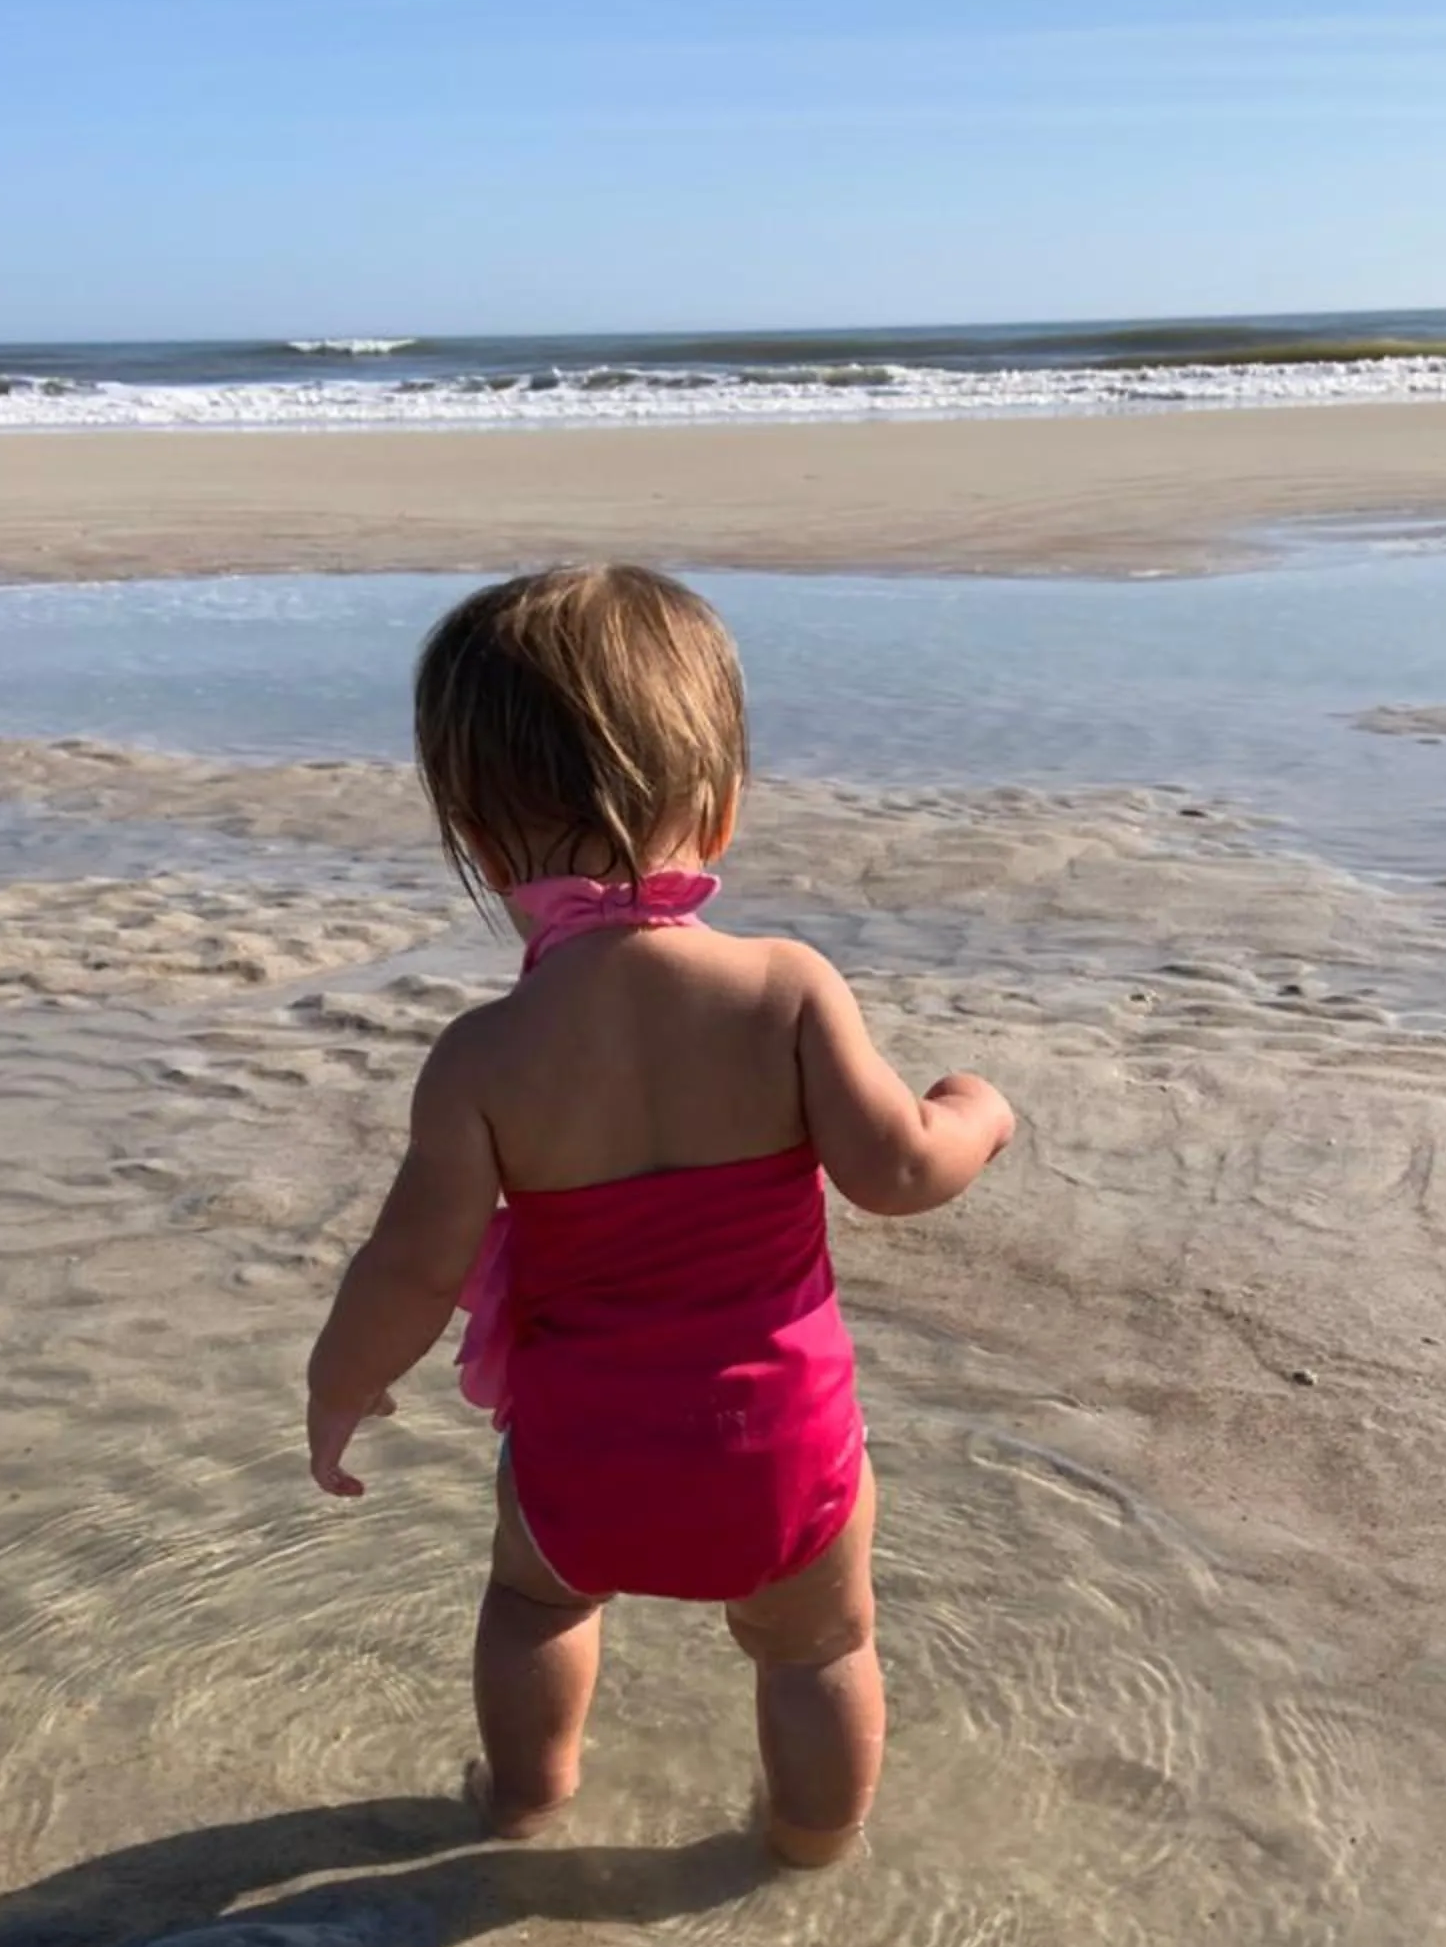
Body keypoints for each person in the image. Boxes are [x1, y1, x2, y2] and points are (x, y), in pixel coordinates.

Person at [305, 565, 1013, 1866]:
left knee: (534, 1606)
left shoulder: (484, 1057)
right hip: (781, 1450)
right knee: (819, 1647)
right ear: (726, 805)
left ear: (478, 842)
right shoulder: (784, 991)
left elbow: (409, 1268)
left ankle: (524, 1804)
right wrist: (974, 1111)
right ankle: (811, 1850)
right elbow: (899, 1173)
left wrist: (338, 1387)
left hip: (584, 1454)